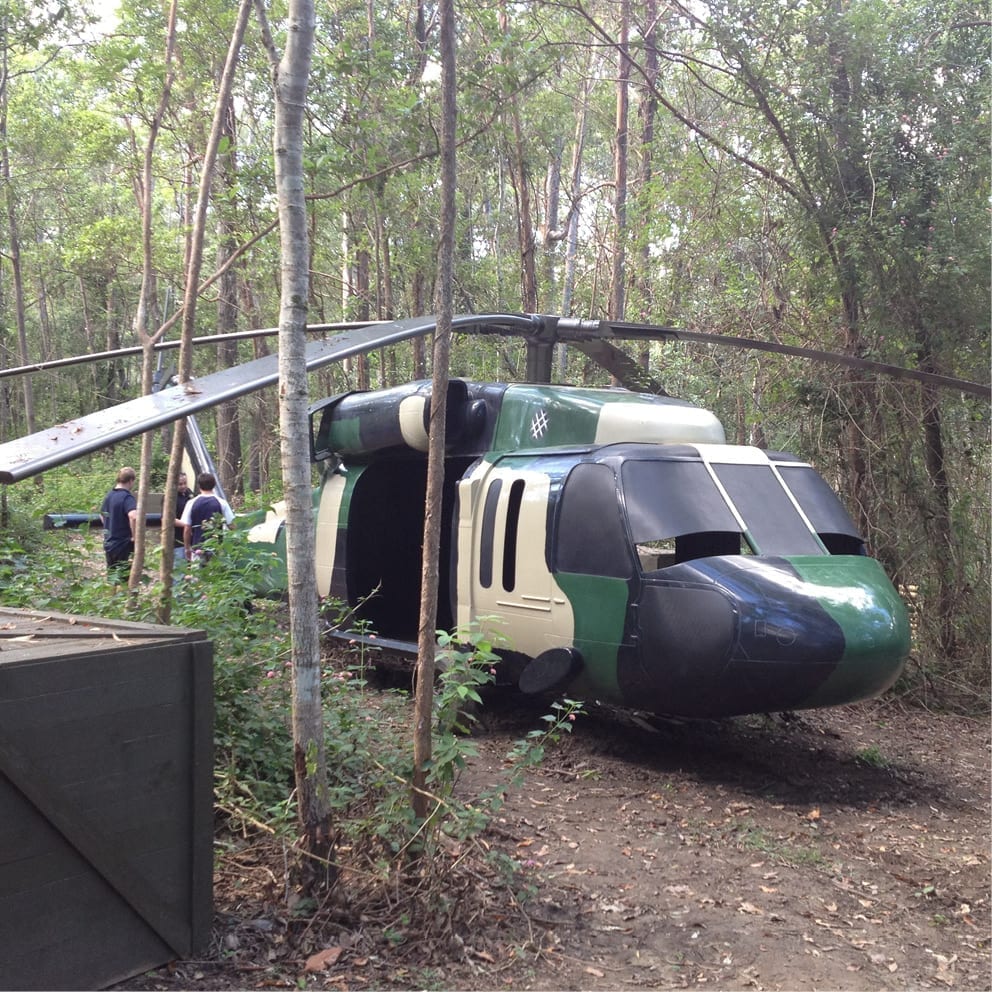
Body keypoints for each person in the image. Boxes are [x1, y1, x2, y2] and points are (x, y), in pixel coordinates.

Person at [181, 472, 235, 563]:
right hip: (216, 547)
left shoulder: (191, 503)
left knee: (197, 575)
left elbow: (187, 528)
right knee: (214, 575)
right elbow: (232, 525)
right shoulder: (221, 502)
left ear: (199, 485)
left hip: (197, 548)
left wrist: (187, 548)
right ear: (214, 485)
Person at [100, 466, 138, 585]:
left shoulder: (109, 495)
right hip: (123, 544)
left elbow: (102, 515)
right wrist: (134, 536)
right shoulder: (127, 497)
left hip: (109, 543)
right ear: (131, 480)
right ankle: (123, 602)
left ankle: (112, 601)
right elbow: (133, 516)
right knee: (124, 579)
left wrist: (109, 527)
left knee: (112, 578)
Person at [173, 472, 194, 567]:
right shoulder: (170, 498)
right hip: (178, 540)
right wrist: (186, 524)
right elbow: (168, 520)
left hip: (191, 539)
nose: (183, 486)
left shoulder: (189, 493)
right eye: (180, 484)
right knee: (179, 569)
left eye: (185, 483)